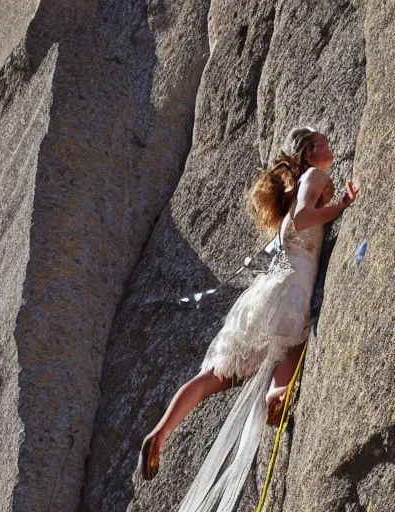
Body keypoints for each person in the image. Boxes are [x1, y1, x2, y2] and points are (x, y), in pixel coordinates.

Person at [138, 126, 358, 510]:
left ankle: (160, 433)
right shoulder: (315, 176)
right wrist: (341, 207)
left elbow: (300, 216)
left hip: (260, 296)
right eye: (323, 142)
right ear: (308, 155)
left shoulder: (302, 185)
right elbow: (306, 217)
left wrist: (334, 204)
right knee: (293, 344)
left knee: (212, 378)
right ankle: (276, 394)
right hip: (289, 289)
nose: (330, 145)